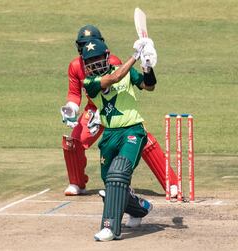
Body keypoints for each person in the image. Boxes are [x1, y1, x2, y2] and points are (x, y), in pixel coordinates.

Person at [61, 25, 178, 197]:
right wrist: (70, 108)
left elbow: (116, 84)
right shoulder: (75, 66)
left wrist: (146, 66)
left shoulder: (113, 62)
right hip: (92, 110)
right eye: (85, 44)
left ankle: (171, 183)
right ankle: (77, 183)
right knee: (72, 141)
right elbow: (74, 93)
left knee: (144, 140)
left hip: (116, 109)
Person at [80, 37, 157, 241]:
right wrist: (135, 55)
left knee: (118, 171)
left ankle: (110, 228)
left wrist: (147, 66)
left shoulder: (126, 71)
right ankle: (140, 208)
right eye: (89, 61)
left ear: (106, 57)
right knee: (112, 186)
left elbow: (149, 87)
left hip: (132, 131)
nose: (94, 64)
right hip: (109, 136)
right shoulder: (89, 82)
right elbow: (113, 78)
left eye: (97, 59)